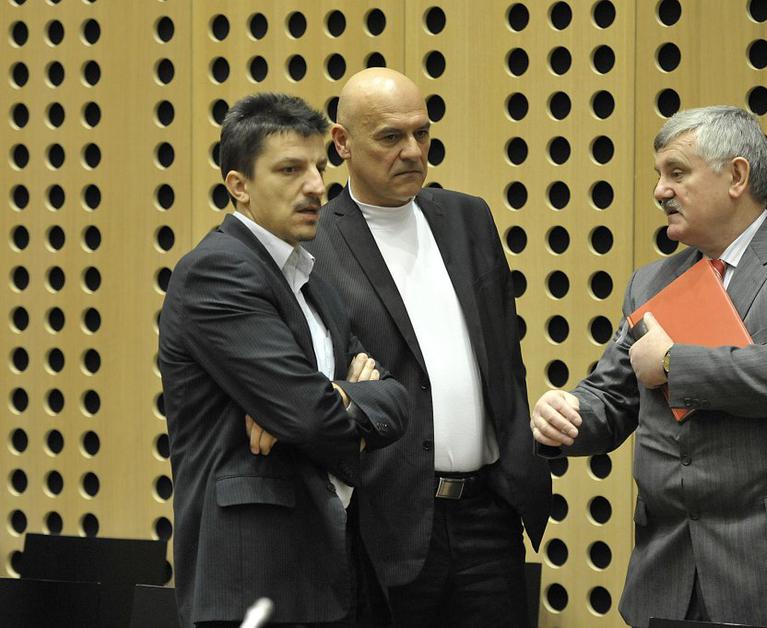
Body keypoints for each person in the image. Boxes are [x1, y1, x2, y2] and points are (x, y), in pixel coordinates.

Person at [531, 106, 767, 628]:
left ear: (736, 176)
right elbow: (613, 397)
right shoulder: (651, 282)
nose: (660, 191)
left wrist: (673, 362)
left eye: (677, 172)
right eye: (658, 175)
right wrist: (567, 414)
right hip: (669, 575)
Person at [307, 68, 549, 627]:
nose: (413, 151)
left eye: (422, 133)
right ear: (342, 142)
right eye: (391, 137)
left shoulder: (468, 217)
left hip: (489, 512)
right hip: (385, 520)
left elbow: (502, 357)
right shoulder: (316, 240)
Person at [159, 92, 408, 627]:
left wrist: (333, 395)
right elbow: (308, 415)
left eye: (320, 168)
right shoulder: (217, 272)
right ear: (239, 186)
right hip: (254, 577)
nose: (316, 186)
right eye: (291, 170)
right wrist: (327, 400)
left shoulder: (312, 279)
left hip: (329, 570)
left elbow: (394, 398)